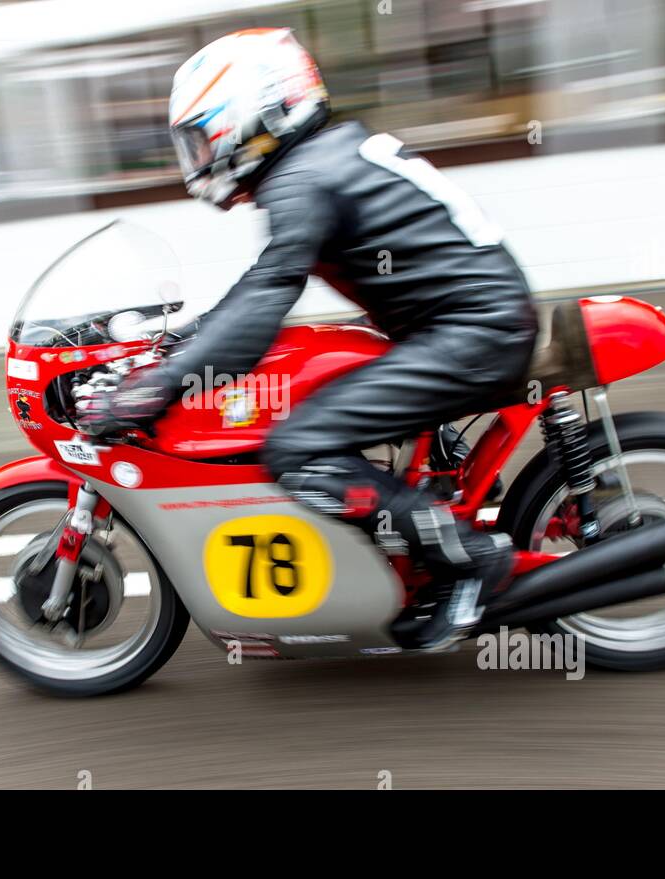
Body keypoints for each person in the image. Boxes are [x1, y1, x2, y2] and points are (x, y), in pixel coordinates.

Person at [78, 28, 538, 650]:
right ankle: (423, 534)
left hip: (473, 333)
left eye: (200, 137)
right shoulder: (321, 160)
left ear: (252, 112)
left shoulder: (304, 178)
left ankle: (474, 560)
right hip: (465, 325)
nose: (198, 157)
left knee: (298, 446)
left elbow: (266, 298)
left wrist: (152, 389)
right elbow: (256, 291)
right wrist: (173, 347)